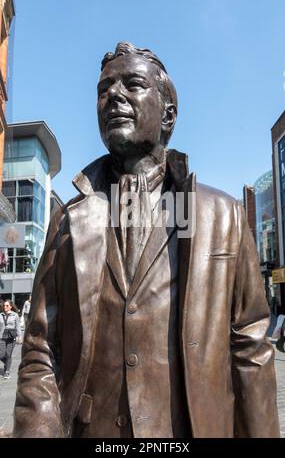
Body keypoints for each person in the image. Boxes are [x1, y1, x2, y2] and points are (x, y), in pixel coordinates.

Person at [13, 42, 279, 438]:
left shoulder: (223, 216)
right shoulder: (69, 220)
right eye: (104, 90)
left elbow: (250, 351)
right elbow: (40, 349)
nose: (113, 96)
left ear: (168, 114)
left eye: (132, 84)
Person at [0, 299, 21, 379]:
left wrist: (19, 336)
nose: (5, 307)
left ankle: (7, 371)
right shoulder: (1, 315)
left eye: (7, 305)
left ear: (11, 307)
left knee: (8, 354)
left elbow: (18, 326)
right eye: (4, 305)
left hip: (11, 337)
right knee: (1, 354)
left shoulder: (15, 315)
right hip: (1, 336)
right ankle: (7, 364)